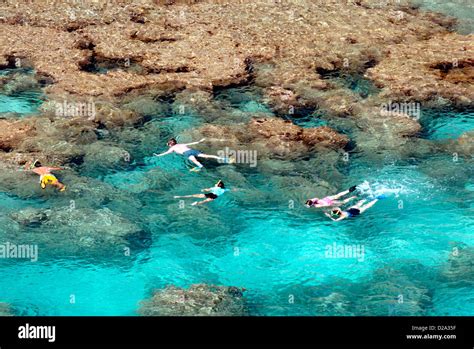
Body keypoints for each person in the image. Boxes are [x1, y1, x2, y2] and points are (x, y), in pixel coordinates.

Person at [154, 138, 233, 172]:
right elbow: (193, 143)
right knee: (208, 156)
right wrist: (200, 141)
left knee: (197, 162)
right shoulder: (181, 144)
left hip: (187, 153)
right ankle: (225, 159)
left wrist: (158, 155)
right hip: (192, 150)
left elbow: (166, 153)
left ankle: (200, 168)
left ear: (170, 145)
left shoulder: (172, 148)